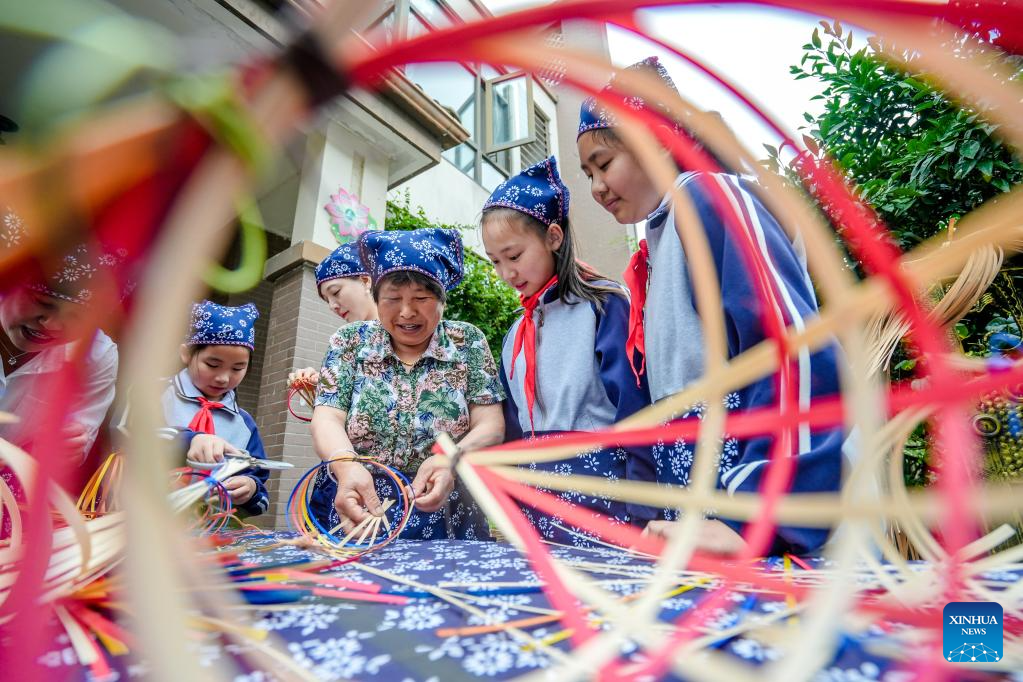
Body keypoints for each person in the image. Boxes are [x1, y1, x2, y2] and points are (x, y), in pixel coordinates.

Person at [576, 57, 843, 555]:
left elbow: (792, 350)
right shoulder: (661, 246)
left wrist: (761, 516)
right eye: (588, 171)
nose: (595, 187)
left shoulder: (712, 200)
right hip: (708, 527)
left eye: (604, 164)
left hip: (769, 534)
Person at [481, 156, 657, 544]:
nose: (506, 273)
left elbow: (635, 408)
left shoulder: (603, 306)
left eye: (514, 256)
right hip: (535, 504)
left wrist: (646, 508)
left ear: (554, 237)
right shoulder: (514, 334)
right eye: (495, 262)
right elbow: (512, 429)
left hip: (602, 494)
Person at [310, 228, 505, 540]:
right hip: (359, 502)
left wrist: (450, 458)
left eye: (422, 298)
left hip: (444, 505)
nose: (406, 312)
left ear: (442, 298)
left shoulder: (468, 341)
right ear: (375, 296)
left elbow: (491, 424)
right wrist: (346, 467)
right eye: (392, 299)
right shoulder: (349, 341)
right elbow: (327, 417)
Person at [0, 236, 120, 536]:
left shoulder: (95, 356)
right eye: (44, 304)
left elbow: (68, 448)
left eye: (77, 317)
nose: (52, 325)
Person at [161, 301, 269, 516]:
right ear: (186, 353)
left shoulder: (244, 424)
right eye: (212, 365)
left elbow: (262, 497)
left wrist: (251, 489)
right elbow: (125, 437)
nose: (223, 378)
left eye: (238, 368)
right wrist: (189, 440)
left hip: (211, 532)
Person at [288, 242, 378, 388]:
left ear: (365, 281)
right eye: (327, 300)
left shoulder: (406, 331)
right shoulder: (345, 341)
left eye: (335, 292)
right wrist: (319, 385)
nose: (332, 306)